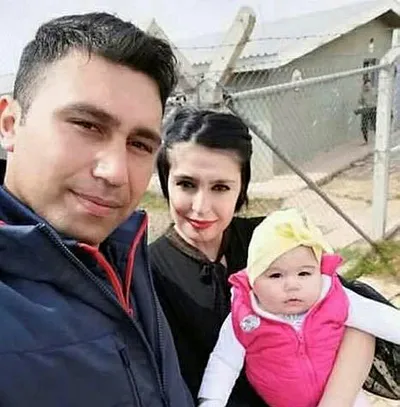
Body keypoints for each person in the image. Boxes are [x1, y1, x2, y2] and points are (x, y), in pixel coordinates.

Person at [0, 12, 193, 407]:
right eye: (87, 126)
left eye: (139, 144)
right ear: (10, 124)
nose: (116, 172)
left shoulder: (123, 252)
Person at [150, 107, 400, 407]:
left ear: (241, 187)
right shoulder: (148, 274)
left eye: (220, 187)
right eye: (186, 184)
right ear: (165, 181)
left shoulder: (272, 240)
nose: (201, 206)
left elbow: (355, 321)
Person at [198, 208, 400, 407]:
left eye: (304, 274)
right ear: (253, 281)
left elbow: (379, 317)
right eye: (276, 275)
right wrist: (211, 401)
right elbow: (224, 362)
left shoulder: (334, 297)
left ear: (318, 272)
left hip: (346, 400)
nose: (292, 285)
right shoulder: (244, 318)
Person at [355, 78, 377, 144]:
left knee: (375, 125)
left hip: (374, 109)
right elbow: (359, 102)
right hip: (366, 109)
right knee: (364, 126)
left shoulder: (374, 91)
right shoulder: (362, 93)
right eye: (366, 86)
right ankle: (365, 140)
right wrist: (360, 107)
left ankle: (378, 138)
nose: (367, 87)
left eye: (369, 86)